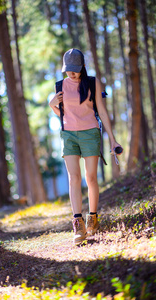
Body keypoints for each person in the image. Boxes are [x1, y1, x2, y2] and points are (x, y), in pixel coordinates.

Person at [49, 48, 122, 245]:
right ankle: (77, 223)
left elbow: (103, 112)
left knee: (90, 177)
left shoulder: (92, 83)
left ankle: (93, 218)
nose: (71, 73)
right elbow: (62, 115)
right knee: (74, 178)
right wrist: (52, 104)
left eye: (75, 69)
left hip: (90, 133)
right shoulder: (60, 86)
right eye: (68, 70)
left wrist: (113, 140)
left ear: (82, 67)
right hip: (69, 135)